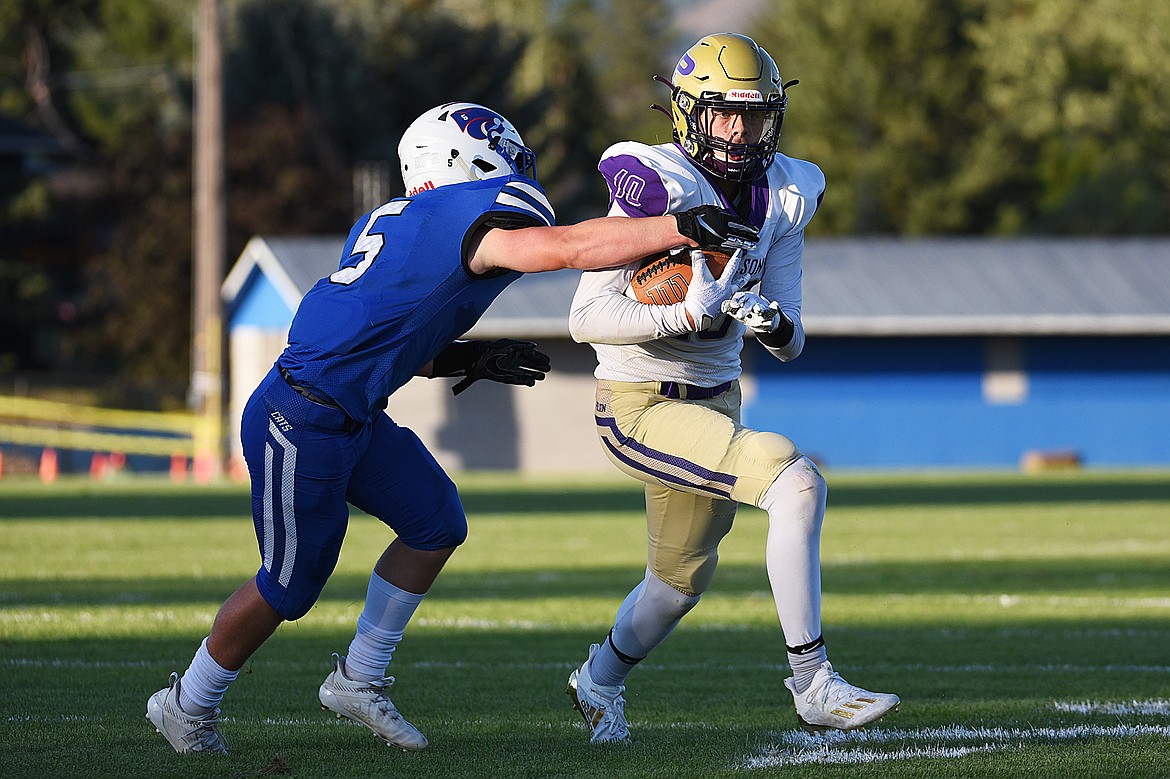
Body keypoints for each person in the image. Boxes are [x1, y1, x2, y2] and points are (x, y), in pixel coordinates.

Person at [145, 101, 758, 755]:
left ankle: (359, 676)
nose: (515, 162)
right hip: (299, 418)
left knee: (436, 521)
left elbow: (386, 331)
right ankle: (188, 701)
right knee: (290, 585)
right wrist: (675, 227)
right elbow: (568, 247)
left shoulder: (401, 220)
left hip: (348, 413)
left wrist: (469, 357)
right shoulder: (469, 219)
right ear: (462, 158)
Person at [564, 33, 900, 743]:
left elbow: (792, 341)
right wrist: (692, 309)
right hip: (640, 403)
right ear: (689, 113)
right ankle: (813, 681)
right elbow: (585, 316)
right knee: (796, 482)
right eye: (724, 113)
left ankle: (596, 681)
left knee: (676, 584)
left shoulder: (784, 192)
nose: (740, 129)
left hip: (717, 397)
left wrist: (770, 320)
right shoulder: (657, 186)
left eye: (754, 114)